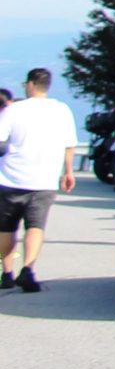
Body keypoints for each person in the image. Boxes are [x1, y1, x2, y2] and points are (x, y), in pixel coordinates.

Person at [0, 68, 80, 293]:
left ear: (31, 84)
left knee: (6, 228)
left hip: (10, 177)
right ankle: (28, 268)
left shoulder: (13, 110)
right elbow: (69, 144)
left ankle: (6, 273)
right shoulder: (61, 110)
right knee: (35, 225)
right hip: (45, 179)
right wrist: (68, 172)